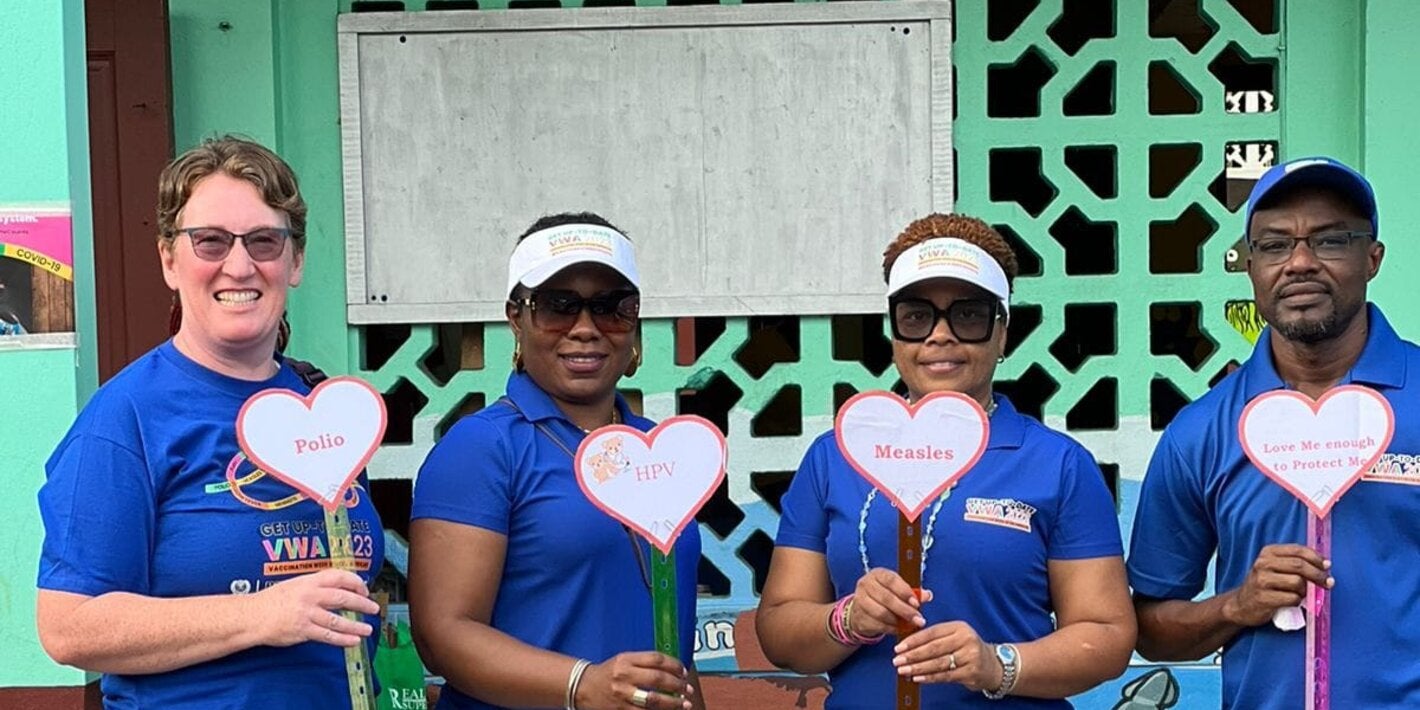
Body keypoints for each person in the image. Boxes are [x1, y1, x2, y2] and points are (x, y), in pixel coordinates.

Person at [35, 136, 385, 708]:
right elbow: (69, 625)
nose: (239, 264)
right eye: (211, 242)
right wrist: (259, 614)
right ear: (170, 260)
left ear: (295, 262)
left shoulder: (320, 405)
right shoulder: (127, 417)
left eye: (265, 241)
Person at [756, 214, 1135, 708]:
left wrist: (996, 664)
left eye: (968, 315)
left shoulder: (1056, 464)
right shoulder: (834, 458)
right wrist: (847, 619)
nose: (940, 336)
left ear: (1003, 332)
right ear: (892, 332)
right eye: (916, 316)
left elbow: (1106, 633)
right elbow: (779, 630)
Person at [1128, 157, 1420, 708]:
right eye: (1275, 245)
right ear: (1250, 267)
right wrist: (1237, 604)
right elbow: (1148, 626)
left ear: (1373, 258)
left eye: (1331, 241)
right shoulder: (1202, 431)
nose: (1301, 263)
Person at [408, 213, 704, 710]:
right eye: (557, 306)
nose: (585, 329)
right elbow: (443, 636)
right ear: (515, 318)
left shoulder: (659, 449)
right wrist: (582, 684)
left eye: (612, 307)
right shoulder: (482, 449)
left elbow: (673, 645)